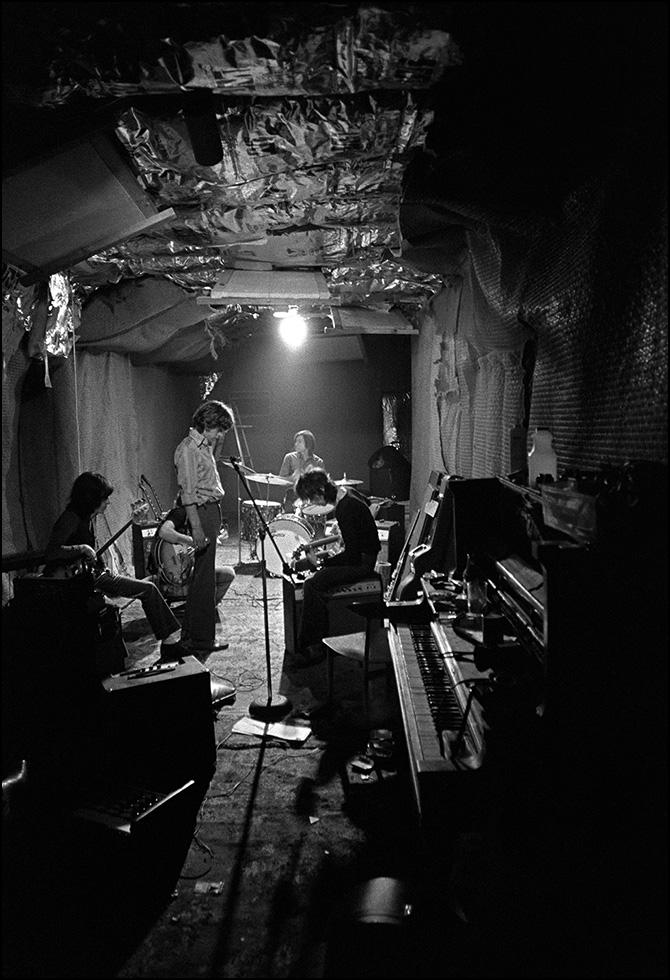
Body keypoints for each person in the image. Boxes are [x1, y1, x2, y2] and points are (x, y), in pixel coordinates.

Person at [43, 471, 192, 665]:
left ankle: (170, 641)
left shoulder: (89, 517)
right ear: (91, 498)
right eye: (104, 498)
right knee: (149, 589)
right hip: (80, 581)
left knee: (151, 585)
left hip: (95, 574)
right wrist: (81, 548)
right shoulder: (71, 518)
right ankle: (170, 644)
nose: (108, 503)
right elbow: (52, 552)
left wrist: (135, 523)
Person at [294, 468, 381, 666]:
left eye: (311, 498)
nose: (311, 503)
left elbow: (351, 556)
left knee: (313, 585)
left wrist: (323, 564)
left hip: (363, 564)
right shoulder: (348, 494)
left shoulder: (345, 508)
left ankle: (314, 647)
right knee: (316, 576)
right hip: (363, 557)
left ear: (320, 492)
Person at [173, 399, 235, 656]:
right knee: (204, 578)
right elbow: (187, 493)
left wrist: (217, 441)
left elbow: (210, 468)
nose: (221, 435)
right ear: (207, 423)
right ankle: (202, 639)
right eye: (219, 429)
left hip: (210, 511)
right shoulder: (188, 449)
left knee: (202, 576)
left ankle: (191, 633)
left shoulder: (203, 445)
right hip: (201, 512)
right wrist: (197, 529)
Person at [149, 501, 235, 611]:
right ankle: (201, 609)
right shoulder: (180, 512)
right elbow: (164, 531)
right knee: (228, 574)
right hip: (170, 580)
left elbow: (190, 553)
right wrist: (191, 541)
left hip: (182, 573)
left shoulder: (194, 520)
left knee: (215, 570)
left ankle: (194, 609)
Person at [279, 430, 325, 512]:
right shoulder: (289, 458)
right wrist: (292, 478)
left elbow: (322, 485)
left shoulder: (318, 462)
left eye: (299, 441)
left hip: (311, 499)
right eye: (295, 441)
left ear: (308, 444)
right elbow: (280, 480)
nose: (296, 444)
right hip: (292, 497)